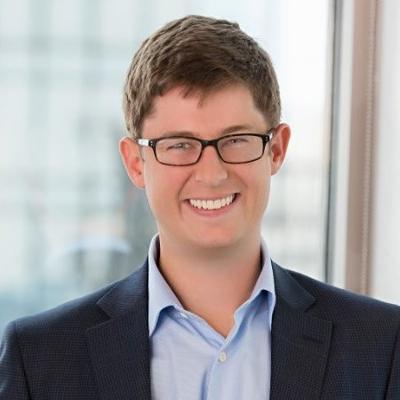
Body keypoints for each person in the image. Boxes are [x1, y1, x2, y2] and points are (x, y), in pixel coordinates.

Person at [0, 15, 399, 400]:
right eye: (179, 145)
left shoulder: (381, 346)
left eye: (236, 140)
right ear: (136, 163)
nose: (212, 174)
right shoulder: (38, 358)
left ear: (276, 150)